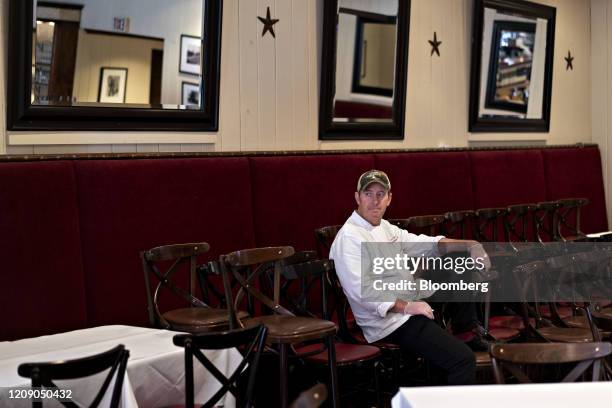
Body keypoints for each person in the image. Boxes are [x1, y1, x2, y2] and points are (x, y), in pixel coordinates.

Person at [329, 169, 491, 385]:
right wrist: (407, 306)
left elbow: (425, 244)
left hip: (411, 298)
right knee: (463, 360)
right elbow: (362, 293)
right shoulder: (350, 237)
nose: (375, 201)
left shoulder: (385, 227)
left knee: (460, 261)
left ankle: (466, 331)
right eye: (368, 194)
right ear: (357, 197)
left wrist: (471, 244)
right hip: (390, 322)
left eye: (381, 194)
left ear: (389, 198)